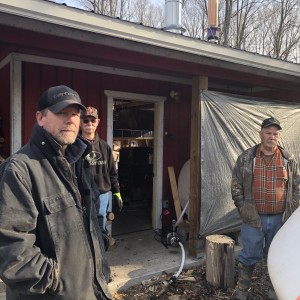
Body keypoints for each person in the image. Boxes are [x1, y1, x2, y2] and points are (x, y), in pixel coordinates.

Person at [0, 85, 112, 300]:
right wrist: (57, 280)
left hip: (91, 290)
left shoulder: (80, 162)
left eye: (75, 114)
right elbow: (11, 251)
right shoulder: (19, 170)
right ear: (40, 118)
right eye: (61, 113)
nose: (70, 120)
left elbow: (91, 222)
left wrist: (100, 263)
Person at [231, 117, 300, 300]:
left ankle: (274, 290)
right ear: (261, 134)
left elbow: (297, 187)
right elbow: (236, 184)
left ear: (279, 136)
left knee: (276, 255)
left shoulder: (288, 159)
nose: (271, 137)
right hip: (253, 218)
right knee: (248, 255)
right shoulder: (246, 158)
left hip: (280, 218)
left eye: (275, 133)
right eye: (268, 133)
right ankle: (242, 291)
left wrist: (292, 214)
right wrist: (241, 207)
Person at [80, 106, 123, 232]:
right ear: (80, 122)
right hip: (82, 196)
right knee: (83, 229)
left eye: (92, 120)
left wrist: (116, 192)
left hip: (102, 195)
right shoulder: (74, 146)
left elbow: (112, 173)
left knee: (100, 229)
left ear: (97, 122)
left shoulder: (105, 147)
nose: (89, 123)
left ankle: (101, 250)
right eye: (85, 120)